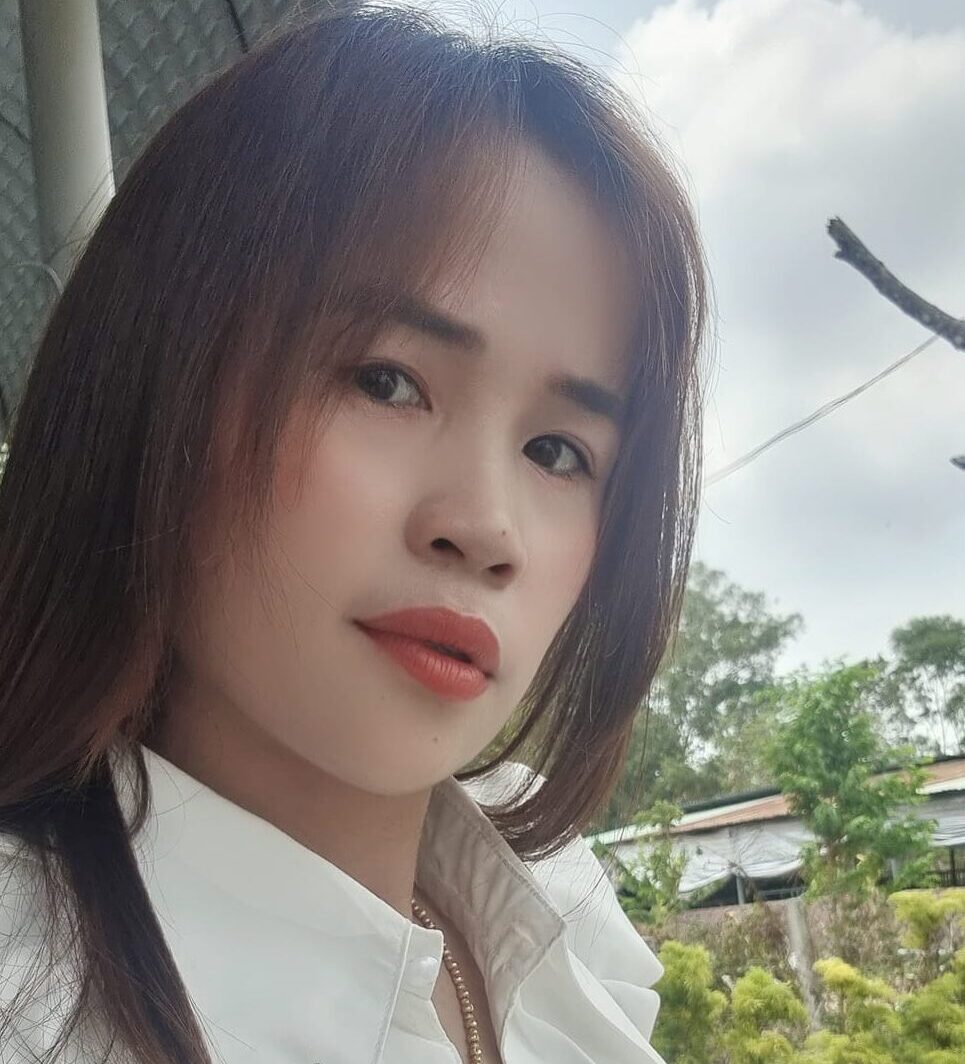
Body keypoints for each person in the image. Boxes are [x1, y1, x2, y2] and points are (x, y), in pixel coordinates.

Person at [0, 4, 706, 1062]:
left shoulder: (559, 914)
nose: (484, 528)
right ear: (158, 379)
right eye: (386, 381)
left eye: (558, 451)